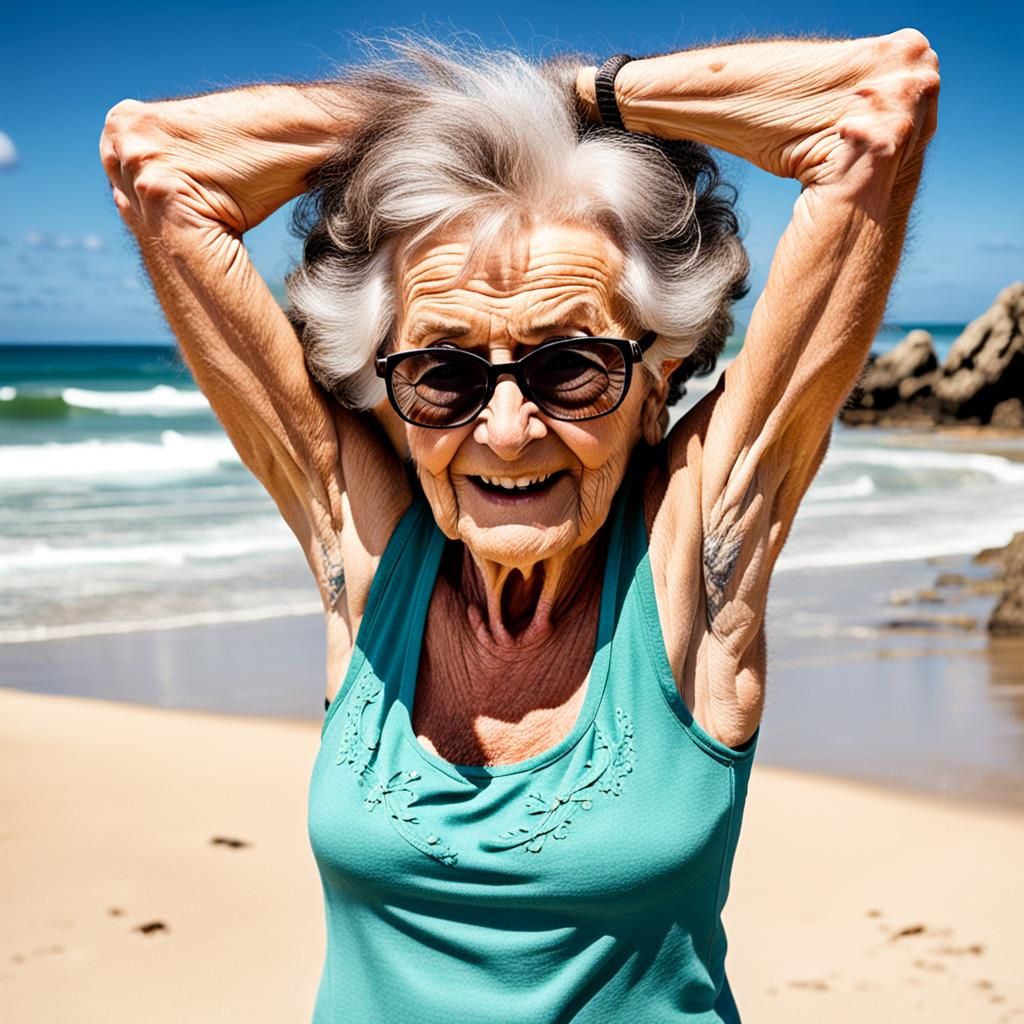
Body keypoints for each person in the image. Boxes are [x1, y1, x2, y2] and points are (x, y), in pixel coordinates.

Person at [99, 29, 939, 1022]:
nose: (504, 431)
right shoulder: (366, 558)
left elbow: (881, 101)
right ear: (390, 389)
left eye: (568, 367)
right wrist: (468, 112)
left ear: (655, 381)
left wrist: (565, 99)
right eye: (443, 374)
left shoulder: (693, 562)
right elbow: (157, 160)